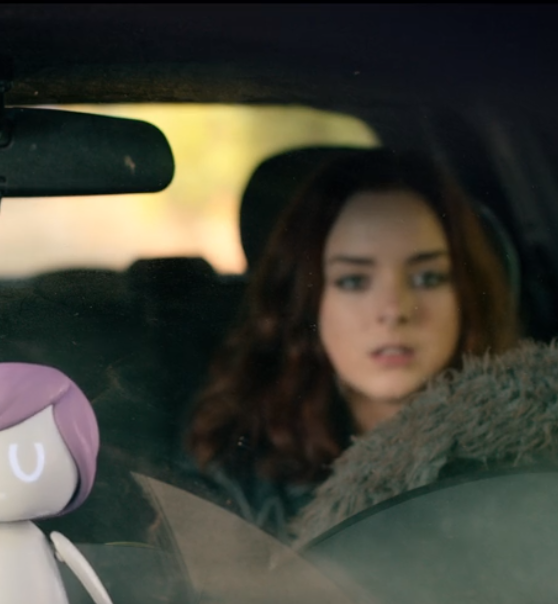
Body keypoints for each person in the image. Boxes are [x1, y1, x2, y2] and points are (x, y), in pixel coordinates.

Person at [186, 149, 519, 539]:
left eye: (427, 278)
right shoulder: (237, 475)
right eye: (354, 281)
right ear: (308, 302)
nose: (394, 310)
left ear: (466, 294)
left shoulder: (531, 446)